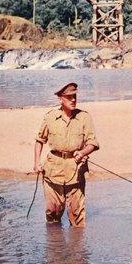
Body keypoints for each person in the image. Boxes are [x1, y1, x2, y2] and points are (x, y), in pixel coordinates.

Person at [34, 82, 99, 227]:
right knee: (52, 212)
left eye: (74, 96)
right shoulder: (50, 117)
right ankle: (55, 247)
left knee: (77, 217)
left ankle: (78, 249)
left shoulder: (84, 117)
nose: (73, 100)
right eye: (69, 97)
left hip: (76, 171)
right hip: (53, 171)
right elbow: (39, 140)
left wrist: (82, 152)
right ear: (60, 99)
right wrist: (36, 162)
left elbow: (93, 143)